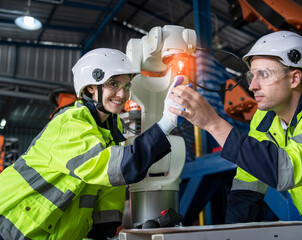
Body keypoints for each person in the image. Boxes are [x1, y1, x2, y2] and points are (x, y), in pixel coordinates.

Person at [167, 31, 302, 223]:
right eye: (252, 75)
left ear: (294, 79)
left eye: (264, 75)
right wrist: (232, 234)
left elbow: (286, 170)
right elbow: (248, 181)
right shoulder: (264, 118)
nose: (252, 86)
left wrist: (212, 123)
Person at [0, 48, 180, 240]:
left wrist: (110, 234)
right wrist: (166, 124)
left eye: (127, 86)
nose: (122, 94)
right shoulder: (70, 124)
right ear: (90, 88)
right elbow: (119, 168)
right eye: (113, 84)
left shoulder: (111, 133)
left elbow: (109, 197)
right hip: (10, 229)